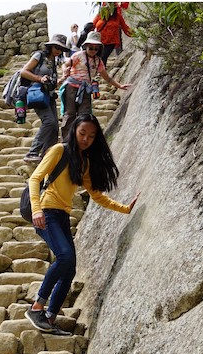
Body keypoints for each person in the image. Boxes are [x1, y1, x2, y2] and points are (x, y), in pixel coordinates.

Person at [25, 113, 138, 336]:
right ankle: (37, 307)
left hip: (62, 217)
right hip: (46, 212)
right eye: (82, 133)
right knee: (65, 256)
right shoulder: (59, 150)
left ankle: (50, 317)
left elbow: (96, 196)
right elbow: (34, 179)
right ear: (74, 130)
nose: (86, 139)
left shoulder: (84, 163)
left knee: (70, 269)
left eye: (91, 136)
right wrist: (37, 209)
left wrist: (124, 208)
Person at [57, 31, 131, 141]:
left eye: (96, 49)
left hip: (86, 89)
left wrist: (119, 86)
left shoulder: (98, 61)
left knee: (84, 116)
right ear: (86, 46)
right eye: (90, 48)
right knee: (70, 114)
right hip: (72, 86)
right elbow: (65, 65)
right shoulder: (78, 55)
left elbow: (106, 77)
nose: (93, 50)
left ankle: (81, 140)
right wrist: (64, 72)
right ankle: (67, 141)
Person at [21, 35, 71, 164]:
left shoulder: (53, 62)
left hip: (48, 96)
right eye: (56, 47)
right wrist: (39, 78)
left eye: (61, 49)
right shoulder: (39, 56)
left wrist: (63, 78)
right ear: (50, 46)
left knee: (54, 126)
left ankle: (47, 156)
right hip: (37, 93)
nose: (58, 51)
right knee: (48, 122)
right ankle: (32, 152)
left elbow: (53, 84)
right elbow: (24, 71)